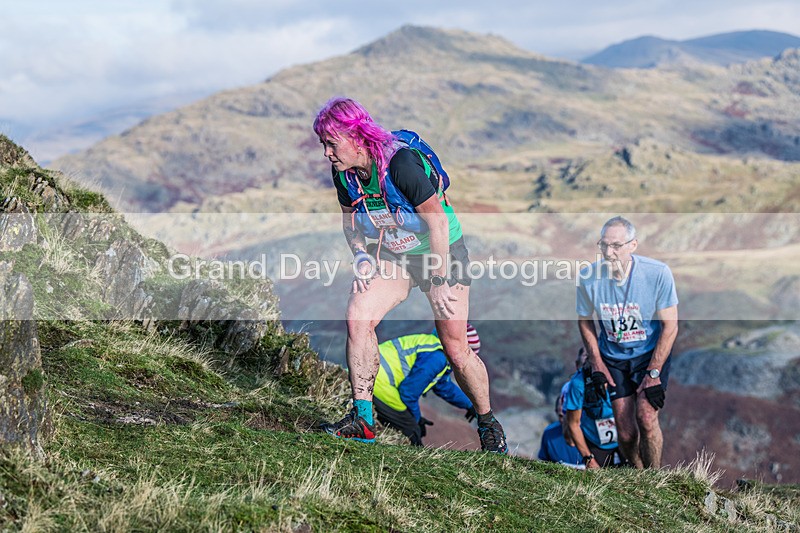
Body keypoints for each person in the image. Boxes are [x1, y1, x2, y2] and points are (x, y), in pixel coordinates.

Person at [314, 97, 507, 453]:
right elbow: (349, 221)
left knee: (454, 346)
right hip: (394, 252)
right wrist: (361, 256)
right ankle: (362, 419)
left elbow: (436, 220)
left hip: (441, 250)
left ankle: (488, 423)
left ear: (356, 136)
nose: (326, 152)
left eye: (331, 142)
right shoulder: (344, 173)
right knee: (358, 316)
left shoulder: (399, 163)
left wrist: (436, 279)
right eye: (323, 144)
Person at [576, 216, 679, 468]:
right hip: (613, 358)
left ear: (633, 245)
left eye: (616, 246)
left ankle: (655, 479)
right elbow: (584, 320)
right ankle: (637, 474)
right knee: (625, 432)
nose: (609, 253)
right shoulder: (588, 277)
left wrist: (653, 372)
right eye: (604, 245)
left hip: (648, 355)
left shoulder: (657, 274)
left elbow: (671, 325)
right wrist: (596, 362)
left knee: (646, 417)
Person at [372, 324, 480, 446]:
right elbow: (408, 392)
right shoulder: (437, 357)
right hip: (378, 384)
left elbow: (442, 385)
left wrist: (470, 405)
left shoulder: (436, 348)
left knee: (410, 425)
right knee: (411, 431)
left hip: (369, 376)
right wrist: (417, 419)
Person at [563, 352, 628, 469]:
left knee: (637, 473)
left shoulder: (620, 373)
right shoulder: (578, 383)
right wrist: (589, 459)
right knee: (599, 483)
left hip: (625, 437)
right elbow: (573, 424)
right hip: (595, 442)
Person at [537, 391, 582, 467]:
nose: (566, 420)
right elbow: (543, 464)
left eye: (569, 415)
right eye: (562, 416)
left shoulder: (590, 432)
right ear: (556, 412)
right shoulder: (549, 433)